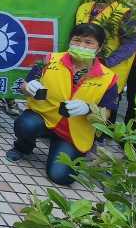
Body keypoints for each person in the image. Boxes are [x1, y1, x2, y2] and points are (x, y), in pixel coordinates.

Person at [6, 23, 118, 185]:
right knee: (25, 125)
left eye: (88, 42)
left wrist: (88, 109)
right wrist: (29, 87)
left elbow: (105, 116)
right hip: (44, 118)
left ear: (99, 48)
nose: (81, 45)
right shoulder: (50, 59)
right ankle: (23, 147)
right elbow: (24, 84)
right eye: (77, 40)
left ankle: (70, 152)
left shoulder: (108, 77)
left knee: (60, 177)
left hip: (73, 132)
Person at [75, 0, 136, 123]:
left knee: (104, 105)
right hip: (82, 63)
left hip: (110, 67)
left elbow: (132, 42)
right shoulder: (85, 7)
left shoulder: (124, 11)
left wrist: (108, 61)